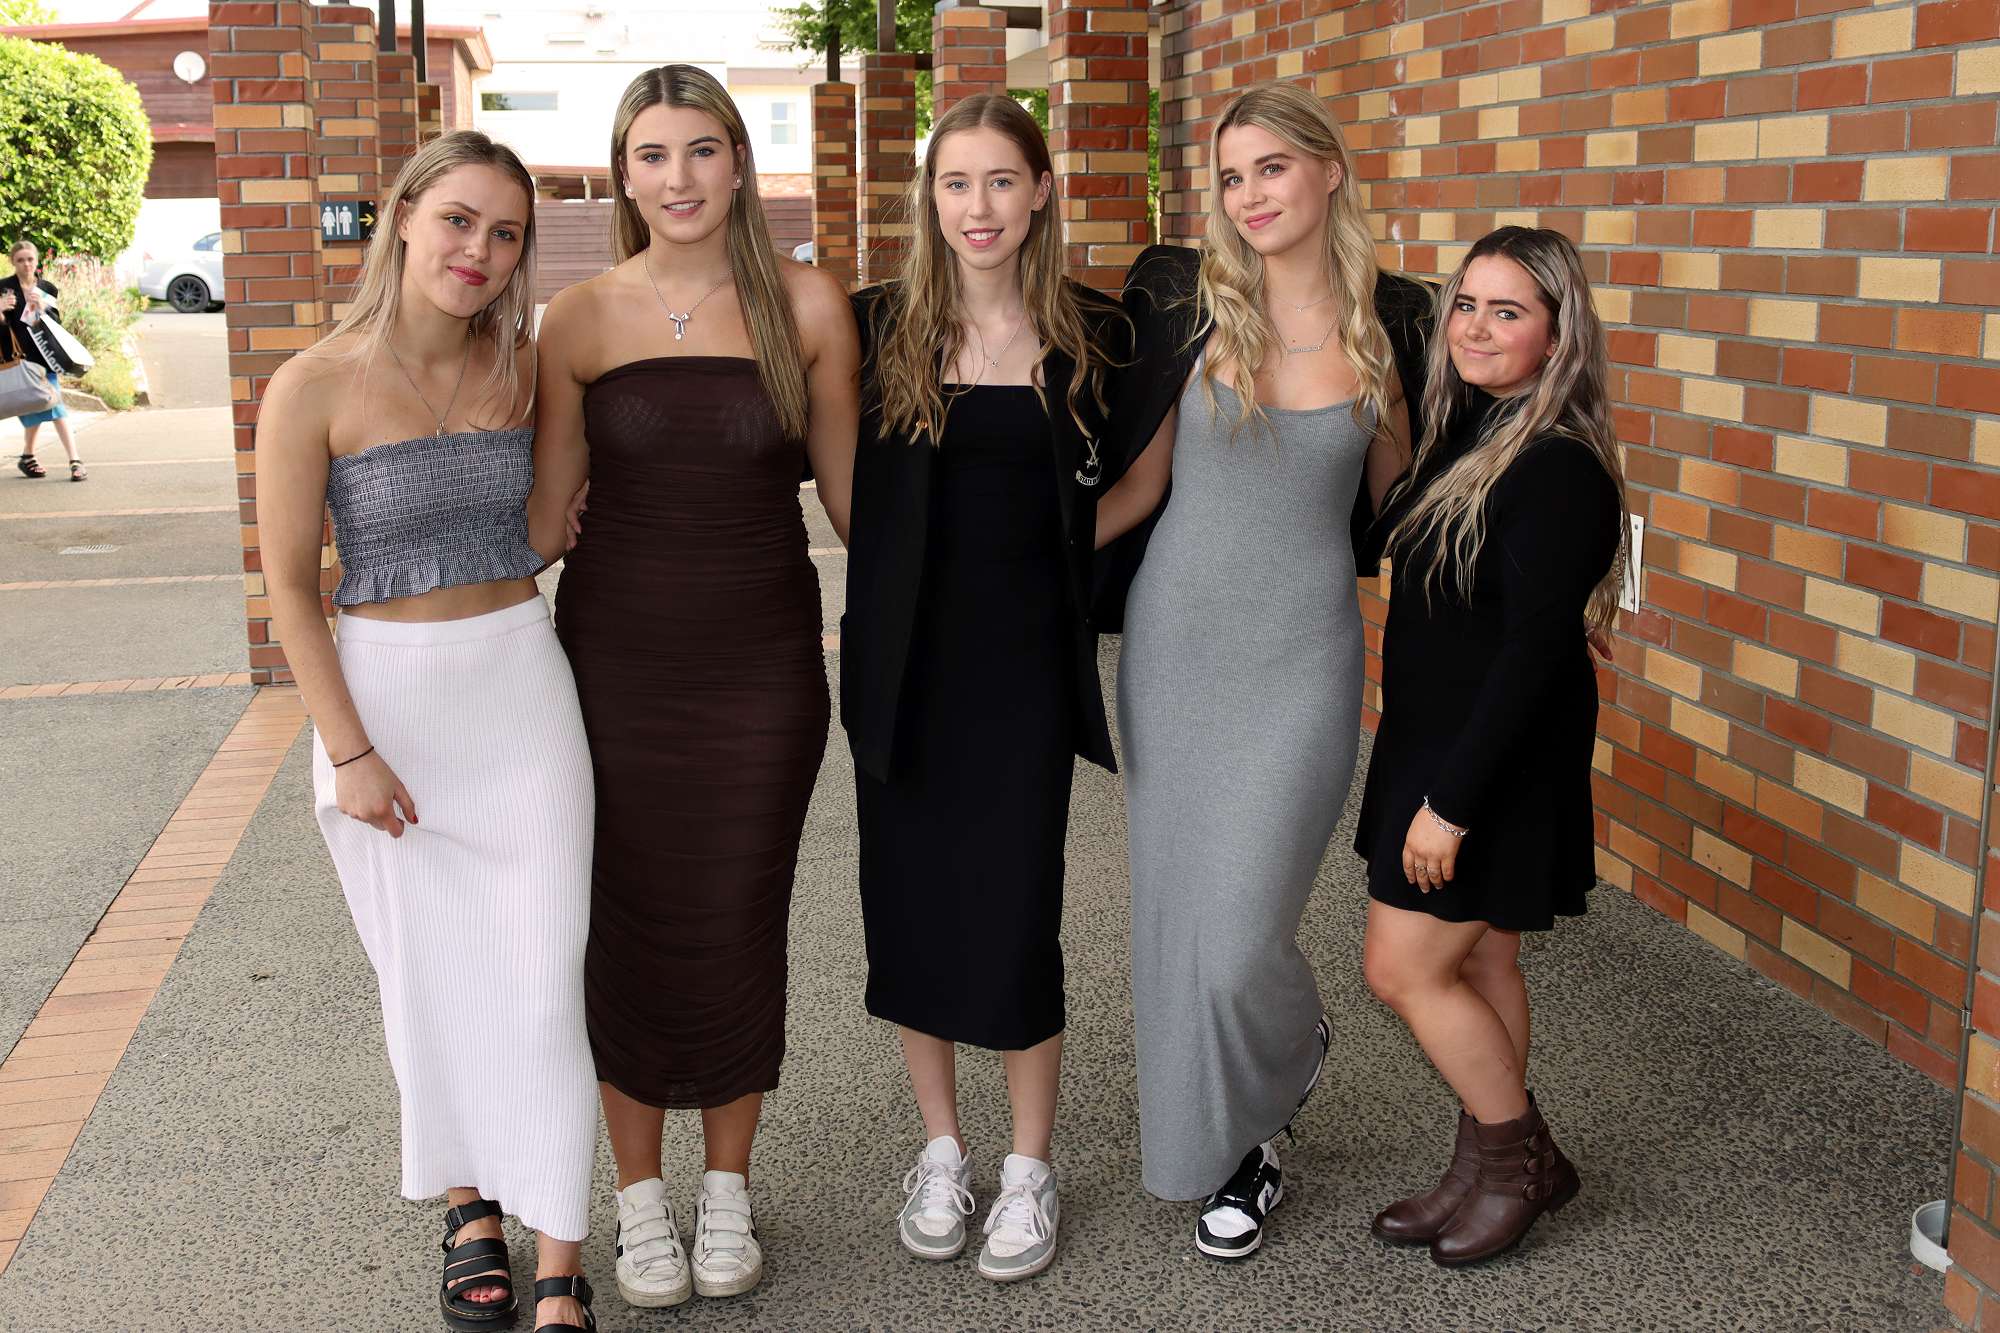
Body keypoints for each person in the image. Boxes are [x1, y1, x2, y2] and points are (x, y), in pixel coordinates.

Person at [256, 130, 599, 1333]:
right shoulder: (311, 384)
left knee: (544, 984)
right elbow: (289, 585)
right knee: (433, 982)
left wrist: (568, 509)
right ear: (404, 214)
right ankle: (471, 1213)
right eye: (458, 220)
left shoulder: (526, 367)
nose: (479, 251)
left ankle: (559, 1263)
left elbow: (542, 530)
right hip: (386, 710)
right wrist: (349, 751)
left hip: (518, 689)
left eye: (505, 234)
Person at [528, 64, 858, 1309]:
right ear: (623, 173)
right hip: (611, 670)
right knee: (620, 923)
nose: (680, 178)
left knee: (735, 917)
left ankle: (726, 1189)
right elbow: (545, 518)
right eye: (654, 155)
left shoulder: (806, 305)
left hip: (761, 670)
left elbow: (857, 508)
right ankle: (636, 1201)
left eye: (703, 150)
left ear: (738, 164)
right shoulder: (577, 319)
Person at [1091, 81, 1432, 1260]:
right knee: (1178, 922)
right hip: (1173, 651)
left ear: (1328, 170)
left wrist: (1521, 603)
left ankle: (1286, 1050)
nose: (1247, 196)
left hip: (1301, 663)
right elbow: (1137, 487)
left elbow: (1405, 516)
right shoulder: (1190, 309)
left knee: (1241, 937)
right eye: (1230, 177)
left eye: (1270, 168)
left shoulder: (1388, 330)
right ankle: (1240, 1150)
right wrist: (1009, 563)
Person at [845, 93, 1130, 1283]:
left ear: (1041, 191)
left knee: (1016, 913)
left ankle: (1027, 1165)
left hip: (1021, 670)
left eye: (1001, 180)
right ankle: (941, 1150)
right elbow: (828, 480)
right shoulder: (876, 329)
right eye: (955, 183)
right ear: (929, 198)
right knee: (911, 908)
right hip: (903, 665)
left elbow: (1146, 472)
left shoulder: (1097, 337)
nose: (978, 207)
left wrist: (1066, 557)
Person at [1355, 225, 1625, 1266]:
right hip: (1441, 738)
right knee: (1482, 956)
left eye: (1506, 311)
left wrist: (1451, 805)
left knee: (1401, 970)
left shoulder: (1556, 465)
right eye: (1465, 304)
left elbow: (1529, 658)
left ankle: (1518, 1162)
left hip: (1488, 763)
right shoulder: (1470, 428)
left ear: (1557, 334)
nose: (1473, 326)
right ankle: (1483, 1165)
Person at [2, 241, 84, 481]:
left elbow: (56, 325)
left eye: (30, 259)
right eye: (20, 260)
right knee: (39, 405)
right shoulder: (4, 288)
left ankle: (69, 460)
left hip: (46, 357)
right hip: (21, 360)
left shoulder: (47, 288)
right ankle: (41, 458)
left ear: (37, 261)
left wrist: (44, 309)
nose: (26, 264)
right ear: (13, 262)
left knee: (50, 405)